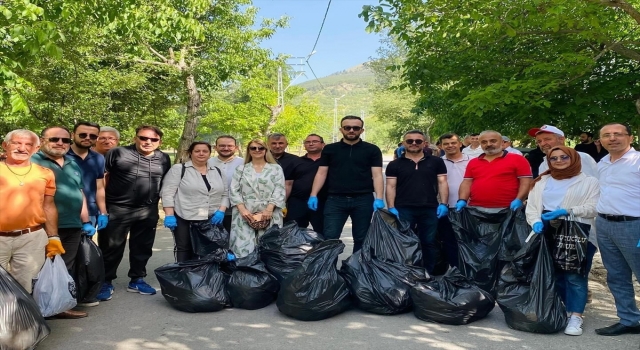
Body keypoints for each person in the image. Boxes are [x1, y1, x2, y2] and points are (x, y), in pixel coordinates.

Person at [526, 146, 599, 336]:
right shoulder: (542, 181)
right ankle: (561, 310)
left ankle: (575, 316)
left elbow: (594, 208)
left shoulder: (589, 182)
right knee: (554, 273)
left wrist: (569, 211)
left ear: (573, 158)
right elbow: (532, 206)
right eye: (554, 158)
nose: (558, 161)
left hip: (577, 231)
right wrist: (535, 222)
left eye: (564, 157)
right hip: (547, 230)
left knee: (575, 276)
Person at [97, 125, 171, 301]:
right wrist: (102, 210)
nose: (148, 142)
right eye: (143, 138)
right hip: (117, 208)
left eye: (153, 139)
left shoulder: (164, 158)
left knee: (142, 246)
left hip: (147, 210)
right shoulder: (117, 153)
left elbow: (166, 183)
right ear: (135, 138)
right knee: (111, 247)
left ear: (160, 141)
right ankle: (105, 281)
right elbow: (101, 180)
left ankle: (137, 279)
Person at [31, 126, 96, 319]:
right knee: (38, 270)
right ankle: (35, 311)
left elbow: (80, 193)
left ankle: (58, 307)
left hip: (73, 225)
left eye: (65, 140)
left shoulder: (72, 163)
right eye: (54, 139)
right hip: (43, 226)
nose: (60, 143)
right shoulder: (32, 162)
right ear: (42, 141)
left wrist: (85, 220)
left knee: (63, 268)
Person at [308, 115, 384, 253]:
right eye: (347, 127)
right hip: (335, 200)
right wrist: (313, 195)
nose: (351, 130)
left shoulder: (372, 150)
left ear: (361, 130)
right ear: (341, 129)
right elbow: (321, 173)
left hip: (363, 199)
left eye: (356, 128)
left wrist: (379, 198)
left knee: (362, 238)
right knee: (330, 238)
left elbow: (377, 175)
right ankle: (329, 273)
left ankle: (357, 271)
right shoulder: (330, 149)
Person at [593, 123, 640, 336]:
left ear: (630, 138)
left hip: (634, 226)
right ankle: (629, 320)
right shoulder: (602, 163)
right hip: (604, 224)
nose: (612, 138)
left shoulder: (637, 161)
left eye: (618, 134)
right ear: (601, 140)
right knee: (617, 276)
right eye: (606, 135)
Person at [0, 130, 61, 294]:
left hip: (31, 238)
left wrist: (53, 236)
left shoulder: (45, 173)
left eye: (28, 145)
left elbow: (48, 205)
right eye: (16, 143)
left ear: (36, 148)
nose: (22, 148)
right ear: (5, 145)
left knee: (25, 287)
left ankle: (21, 319)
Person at [386, 130, 448, 273]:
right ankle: (407, 274)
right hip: (403, 208)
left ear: (424, 143)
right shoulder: (395, 164)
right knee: (404, 242)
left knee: (428, 242)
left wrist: (444, 204)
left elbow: (442, 183)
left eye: (418, 141)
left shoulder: (436, 162)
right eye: (410, 141)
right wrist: (391, 206)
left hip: (430, 208)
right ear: (403, 143)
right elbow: (390, 186)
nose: (414, 143)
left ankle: (428, 275)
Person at [161, 141, 228, 262]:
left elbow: (226, 193)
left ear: (209, 153)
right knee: (184, 249)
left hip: (211, 218)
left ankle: (206, 278)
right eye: (197, 151)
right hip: (185, 216)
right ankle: (185, 277)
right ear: (190, 153)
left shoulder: (217, 171)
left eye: (205, 151)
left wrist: (221, 211)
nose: (201, 154)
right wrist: (169, 215)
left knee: (210, 249)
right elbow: (167, 193)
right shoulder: (179, 169)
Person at [229, 139, 285, 258]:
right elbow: (234, 190)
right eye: (253, 148)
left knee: (269, 246)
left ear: (266, 150)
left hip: (270, 211)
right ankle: (245, 273)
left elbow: (279, 189)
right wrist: (243, 210)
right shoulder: (241, 169)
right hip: (245, 212)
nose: (257, 150)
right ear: (249, 151)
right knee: (242, 247)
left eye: (261, 148)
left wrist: (269, 209)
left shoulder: (276, 169)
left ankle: (267, 274)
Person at [457, 130, 532, 211]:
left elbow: (526, 182)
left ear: (502, 143)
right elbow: (467, 183)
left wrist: (519, 199)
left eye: (493, 141)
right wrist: (462, 200)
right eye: (484, 142)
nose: (488, 144)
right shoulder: (473, 162)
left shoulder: (518, 159)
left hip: (508, 209)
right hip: (476, 209)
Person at [438, 133, 472, 268]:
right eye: (446, 144)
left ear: (460, 144)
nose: (450, 146)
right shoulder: (437, 162)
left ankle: (471, 270)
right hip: (446, 207)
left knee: (470, 240)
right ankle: (454, 269)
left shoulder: (473, 161)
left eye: (453, 143)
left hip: (470, 207)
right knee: (449, 241)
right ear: (441, 146)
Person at [67, 121, 108, 229]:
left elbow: (99, 188)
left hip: (90, 213)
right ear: (72, 135)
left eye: (93, 136)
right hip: (64, 213)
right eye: (83, 135)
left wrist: (103, 213)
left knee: (85, 245)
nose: (87, 138)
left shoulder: (98, 158)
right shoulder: (62, 155)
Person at [286, 134, 326, 234]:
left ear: (323, 144)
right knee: (293, 233)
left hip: (322, 202)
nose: (311, 144)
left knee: (323, 233)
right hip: (297, 202)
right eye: (307, 142)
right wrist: (283, 203)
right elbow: (288, 184)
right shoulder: (295, 162)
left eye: (315, 141)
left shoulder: (328, 162)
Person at [528, 125, 598, 178]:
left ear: (561, 139)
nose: (542, 144)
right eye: (539, 141)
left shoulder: (580, 157)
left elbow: (592, 187)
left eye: (547, 139)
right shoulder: (543, 164)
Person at [208, 135, 244, 234]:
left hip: (238, 210)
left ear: (236, 148)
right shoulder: (207, 163)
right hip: (212, 210)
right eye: (222, 145)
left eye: (230, 146)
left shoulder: (244, 163)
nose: (226, 148)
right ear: (215, 147)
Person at [268, 133, 299, 201]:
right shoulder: (261, 159)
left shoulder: (295, 160)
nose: (277, 146)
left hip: (287, 199)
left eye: (281, 143)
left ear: (286, 144)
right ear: (268, 145)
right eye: (274, 143)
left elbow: (289, 184)